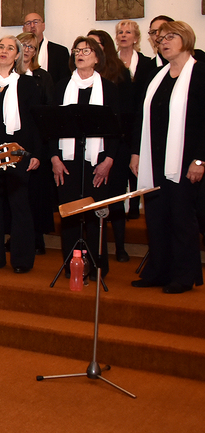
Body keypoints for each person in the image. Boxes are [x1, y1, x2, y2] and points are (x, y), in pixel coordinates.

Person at [130, 21, 205, 294]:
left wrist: (200, 159)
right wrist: (137, 152)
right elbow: (142, 116)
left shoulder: (200, 73)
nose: (164, 42)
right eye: (161, 38)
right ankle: (159, 271)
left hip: (185, 160)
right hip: (154, 159)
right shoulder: (156, 75)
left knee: (181, 218)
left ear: (186, 39)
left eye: (170, 37)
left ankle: (184, 275)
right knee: (156, 216)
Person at [49, 37, 119, 275]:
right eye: (77, 51)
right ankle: (72, 265)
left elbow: (117, 131)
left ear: (97, 57)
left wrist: (109, 160)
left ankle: (98, 265)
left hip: (98, 161)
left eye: (86, 51)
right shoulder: (61, 87)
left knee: (95, 215)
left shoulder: (108, 89)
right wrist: (54, 158)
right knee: (70, 213)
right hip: (66, 161)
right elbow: (51, 127)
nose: (80, 54)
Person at [0, 36, 41, 272]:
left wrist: (35, 153)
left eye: (10, 48)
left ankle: (22, 260)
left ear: (17, 55)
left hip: (18, 152)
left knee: (19, 205)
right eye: (1, 47)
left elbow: (35, 123)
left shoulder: (27, 83)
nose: (4, 51)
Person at [88, 30, 134, 262]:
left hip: (116, 146)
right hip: (89, 148)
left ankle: (121, 247)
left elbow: (126, 115)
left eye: (95, 45)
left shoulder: (119, 73)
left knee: (114, 198)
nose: (89, 50)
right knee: (92, 200)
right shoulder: (80, 77)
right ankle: (95, 250)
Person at [18, 32, 57, 254]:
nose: (27, 50)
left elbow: (49, 109)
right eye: (23, 45)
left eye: (31, 47)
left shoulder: (43, 77)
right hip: (15, 142)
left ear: (35, 52)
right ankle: (17, 237)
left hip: (37, 140)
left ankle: (37, 238)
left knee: (36, 193)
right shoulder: (8, 76)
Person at [23, 13, 71, 84]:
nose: (32, 26)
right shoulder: (18, 51)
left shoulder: (60, 52)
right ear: (23, 29)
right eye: (28, 23)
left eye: (36, 22)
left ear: (43, 26)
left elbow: (64, 82)